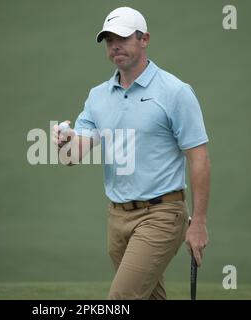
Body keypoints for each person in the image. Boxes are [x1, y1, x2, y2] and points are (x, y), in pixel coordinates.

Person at [51, 6, 210, 300]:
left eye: (122, 38)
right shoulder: (98, 96)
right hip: (117, 218)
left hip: (162, 215)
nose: (115, 46)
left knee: (121, 299)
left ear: (144, 39)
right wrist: (64, 143)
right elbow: (74, 156)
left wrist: (198, 222)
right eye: (109, 40)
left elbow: (198, 157)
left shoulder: (174, 91)